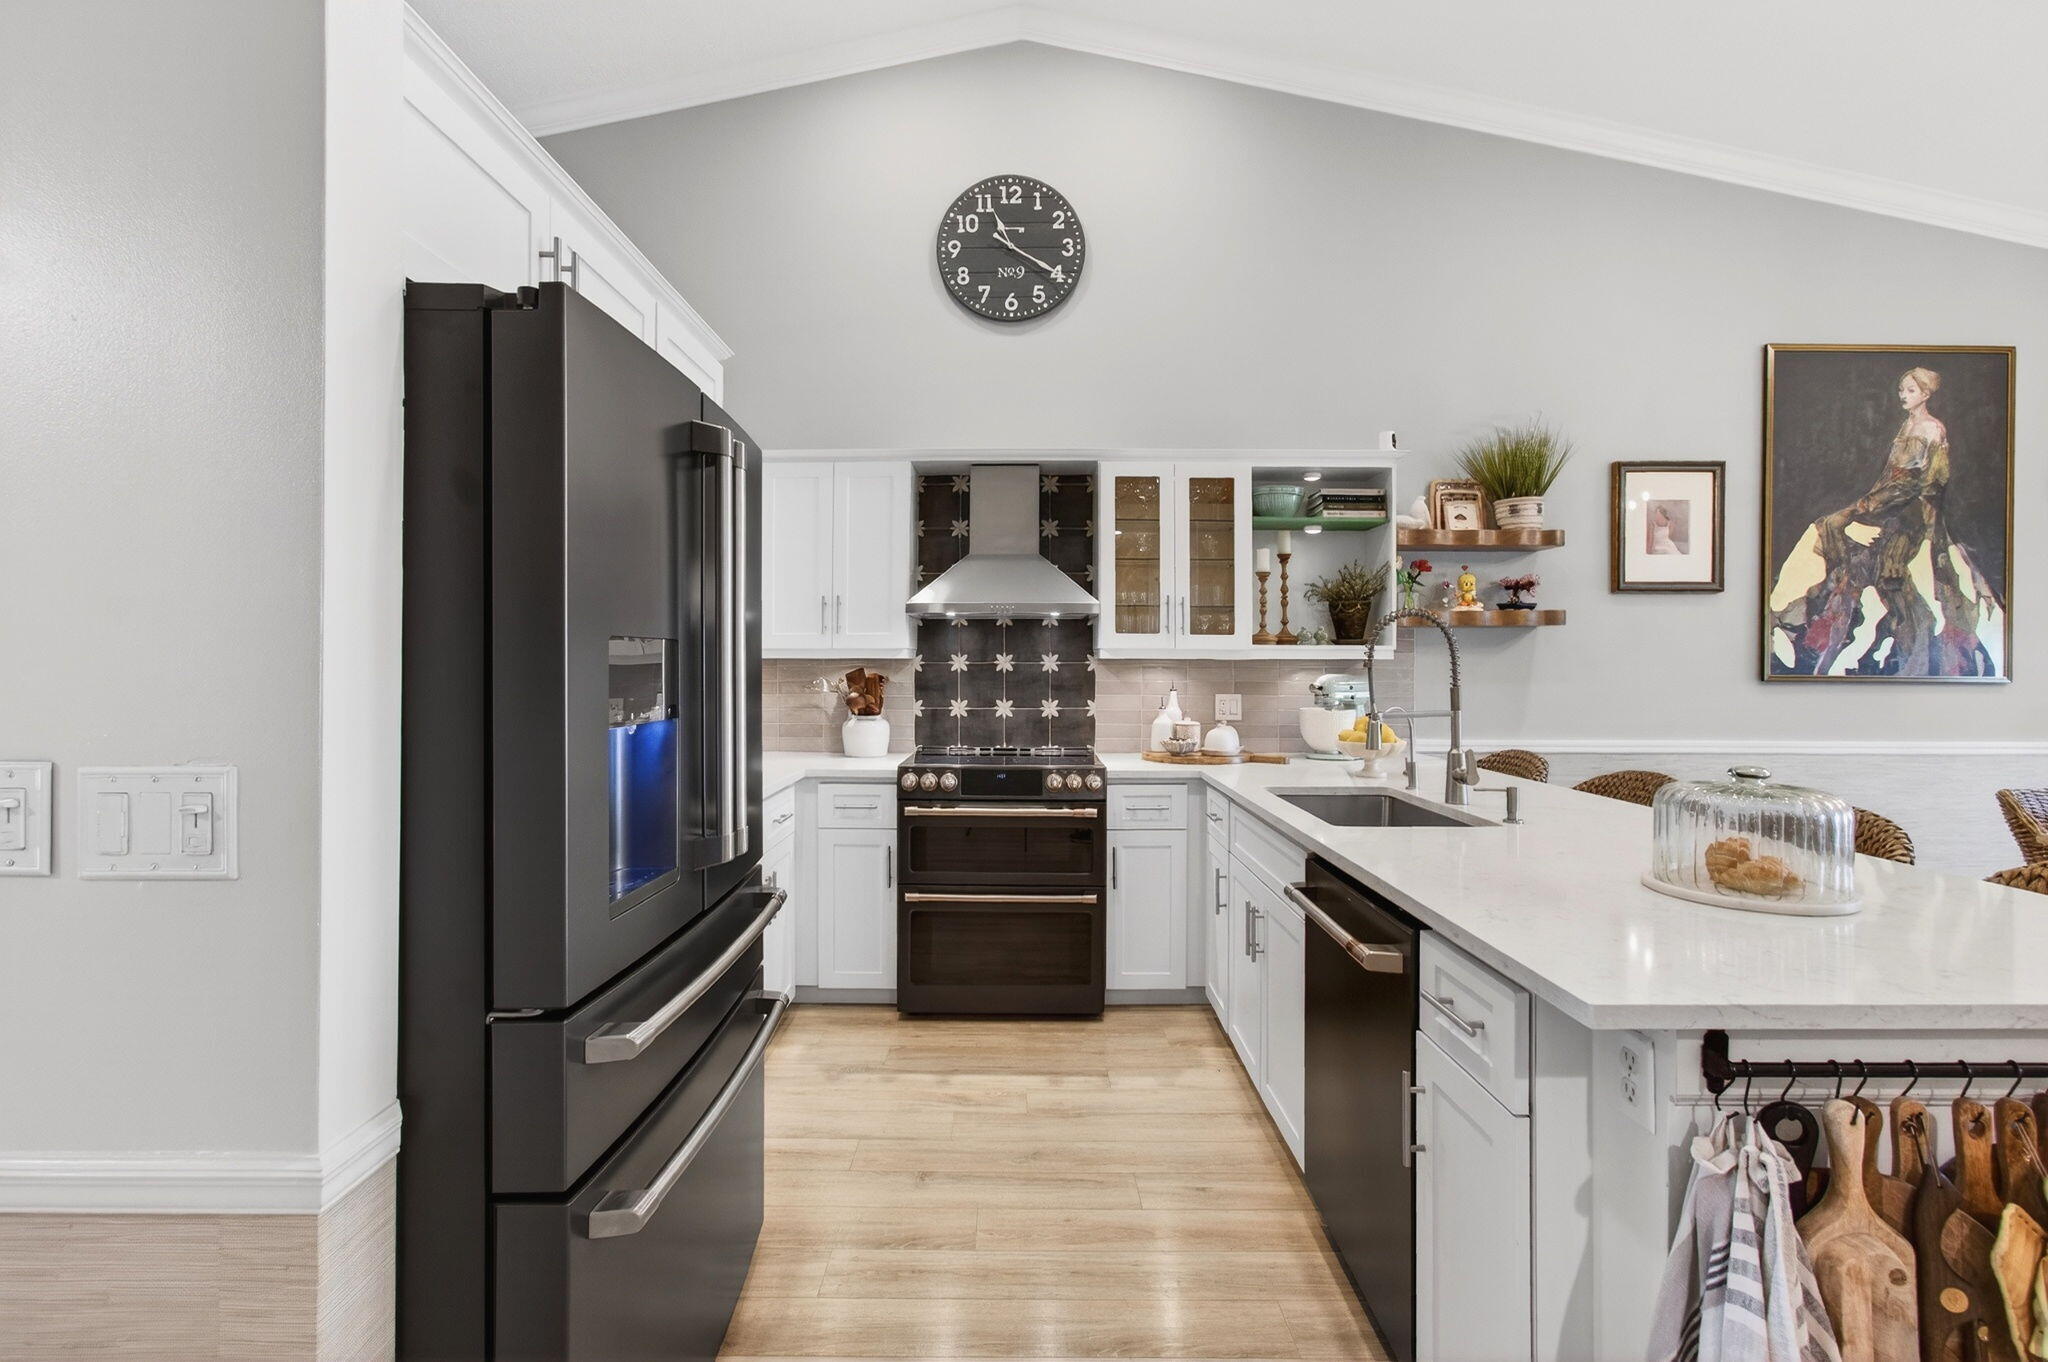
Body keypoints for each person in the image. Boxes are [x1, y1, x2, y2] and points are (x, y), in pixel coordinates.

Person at [1772, 367, 1991, 675]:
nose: (1904, 395)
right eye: (1902, 390)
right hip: (1892, 502)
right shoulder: (1907, 425)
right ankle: (1809, 625)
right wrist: (1864, 507)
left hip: (1913, 510)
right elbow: (1891, 479)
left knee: (1856, 542)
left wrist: (1862, 510)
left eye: (1911, 391)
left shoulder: (1931, 428)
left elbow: (1915, 483)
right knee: (1828, 527)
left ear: (1926, 394)